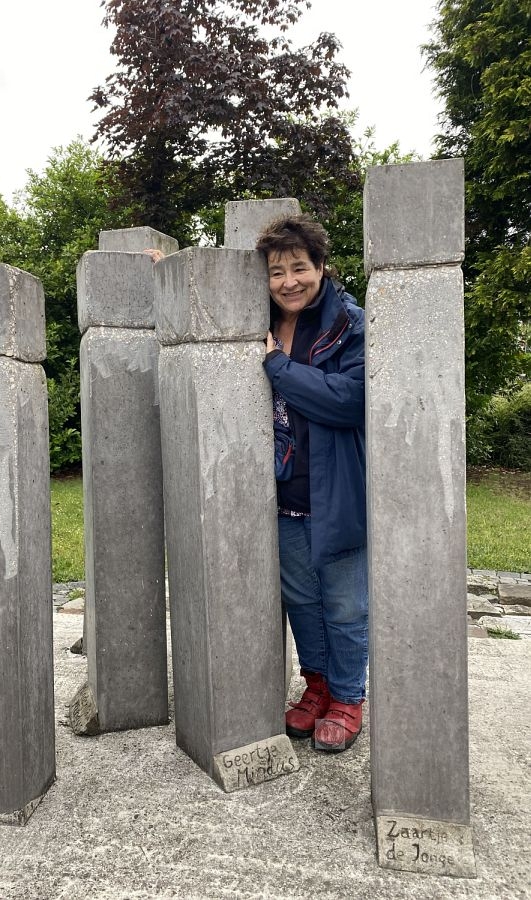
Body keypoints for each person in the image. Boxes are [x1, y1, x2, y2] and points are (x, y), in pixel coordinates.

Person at [257, 214, 367, 753]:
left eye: (299, 268)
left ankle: (348, 697)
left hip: (336, 486)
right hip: (281, 490)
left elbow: (350, 400)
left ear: (321, 267)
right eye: (277, 272)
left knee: (345, 603)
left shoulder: (349, 322)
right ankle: (318, 687)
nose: (289, 282)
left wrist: (276, 366)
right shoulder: (256, 316)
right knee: (302, 599)